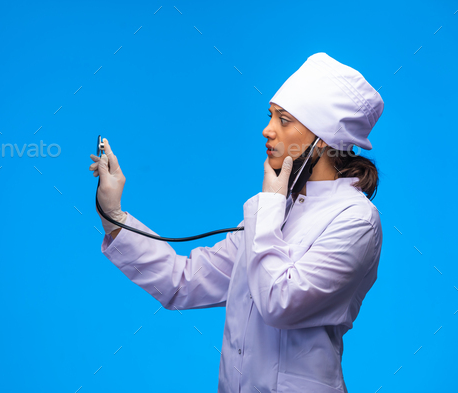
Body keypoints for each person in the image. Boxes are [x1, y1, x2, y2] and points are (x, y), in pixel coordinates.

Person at [88, 52, 384, 393]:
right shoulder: (278, 210)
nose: (267, 130)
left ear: (324, 139)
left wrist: (270, 205)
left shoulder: (356, 220)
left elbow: (279, 304)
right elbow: (182, 282)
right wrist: (113, 215)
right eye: (270, 116)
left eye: (284, 120)